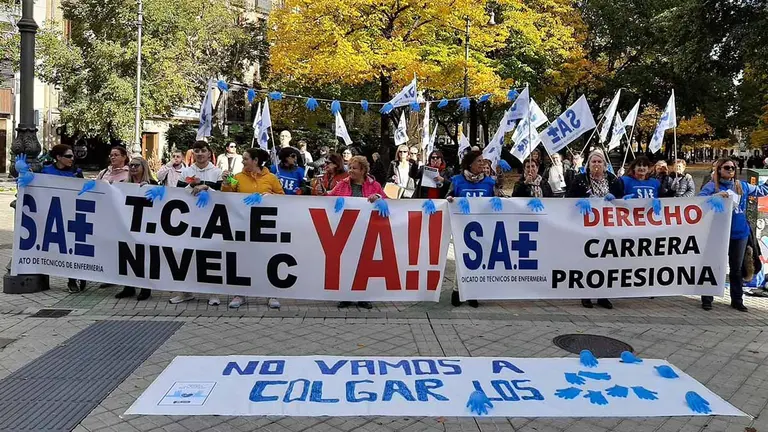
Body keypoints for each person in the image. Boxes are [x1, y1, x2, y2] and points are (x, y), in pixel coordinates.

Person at [699, 158, 768, 312]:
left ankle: (737, 300)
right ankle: (707, 299)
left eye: (733, 168)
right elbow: (699, 203)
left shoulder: (741, 185)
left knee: (736, 269)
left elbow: (762, 190)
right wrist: (714, 197)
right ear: (719, 170)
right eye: (727, 167)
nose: (730, 170)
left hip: (739, 233)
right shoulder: (712, 186)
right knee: (713, 266)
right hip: (717, 233)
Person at [222, 148, 285, 309]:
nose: (242, 161)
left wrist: (271, 197)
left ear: (255, 161)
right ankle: (240, 294)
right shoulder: (238, 177)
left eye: (245, 159)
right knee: (242, 259)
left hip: (266, 227)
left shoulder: (271, 178)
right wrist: (226, 183)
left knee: (267, 259)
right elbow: (228, 195)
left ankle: (271, 294)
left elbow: (283, 197)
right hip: (243, 225)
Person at [566, 149, 623, 309]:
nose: (596, 164)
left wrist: (616, 199)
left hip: (608, 227)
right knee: (588, 260)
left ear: (604, 164)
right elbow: (569, 199)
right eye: (593, 161)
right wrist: (581, 200)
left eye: (599, 161)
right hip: (587, 226)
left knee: (606, 260)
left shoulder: (613, 179)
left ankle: (603, 295)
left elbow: (622, 199)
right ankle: (586, 294)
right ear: (588, 164)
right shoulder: (580, 179)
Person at [328, 155, 385, 310]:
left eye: (354, 168)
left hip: (367, 230)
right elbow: (328, 199)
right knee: (347, 263)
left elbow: (387, 201)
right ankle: (346, 295)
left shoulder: (374, 185)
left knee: (365, 264)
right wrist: (324, 194)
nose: (351, 171)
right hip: (346, 230)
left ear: (363, 170)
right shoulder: (342, 185)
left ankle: (363, 296)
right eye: (350, 168)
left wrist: (379, 197)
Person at [170, 141, 223, 306]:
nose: (200, 154)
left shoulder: (217, 172)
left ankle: (213, 293)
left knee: (210, 256)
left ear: (209, 153)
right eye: (197, 151)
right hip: (189, 219)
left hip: (211, 220)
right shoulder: (186, 171)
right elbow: (178, 193)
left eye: (203, 151)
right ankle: (185, 292)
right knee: (186, 255)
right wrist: (191, 185)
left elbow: (223, 195)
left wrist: (207, 188)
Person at [446, 151, 496, 308]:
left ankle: (473, 292)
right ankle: (457, 290)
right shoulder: (457, 180)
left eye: (483, 161)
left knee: (478, 260)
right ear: (470, 164)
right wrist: (450, 200)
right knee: (462, 259)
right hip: (461, 226)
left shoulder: (489, 182)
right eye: (479, 161)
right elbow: (448, 197)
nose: (482, 164)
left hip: (482, 227)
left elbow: (494, 201)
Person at [42, 144, 86, 294]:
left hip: (72, 214)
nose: (72, 158)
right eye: (68, 156)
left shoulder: (76, 172)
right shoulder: (46, 170)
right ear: (58, 157)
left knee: (73, 248)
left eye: (73, 156)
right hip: (53, 214)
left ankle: (75, 278)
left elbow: (83, 192)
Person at [114, 157, 157, 301]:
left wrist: (150, 189)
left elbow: (160, 201)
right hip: (128, 226)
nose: (132, 168)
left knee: (143, 257)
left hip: (145, 227)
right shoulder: (125, 184)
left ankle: (145, 288)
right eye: (131, 165)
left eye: (136, 165)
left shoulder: (152, 184)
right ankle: (128, 287)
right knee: (127, 256)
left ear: (143, 167)